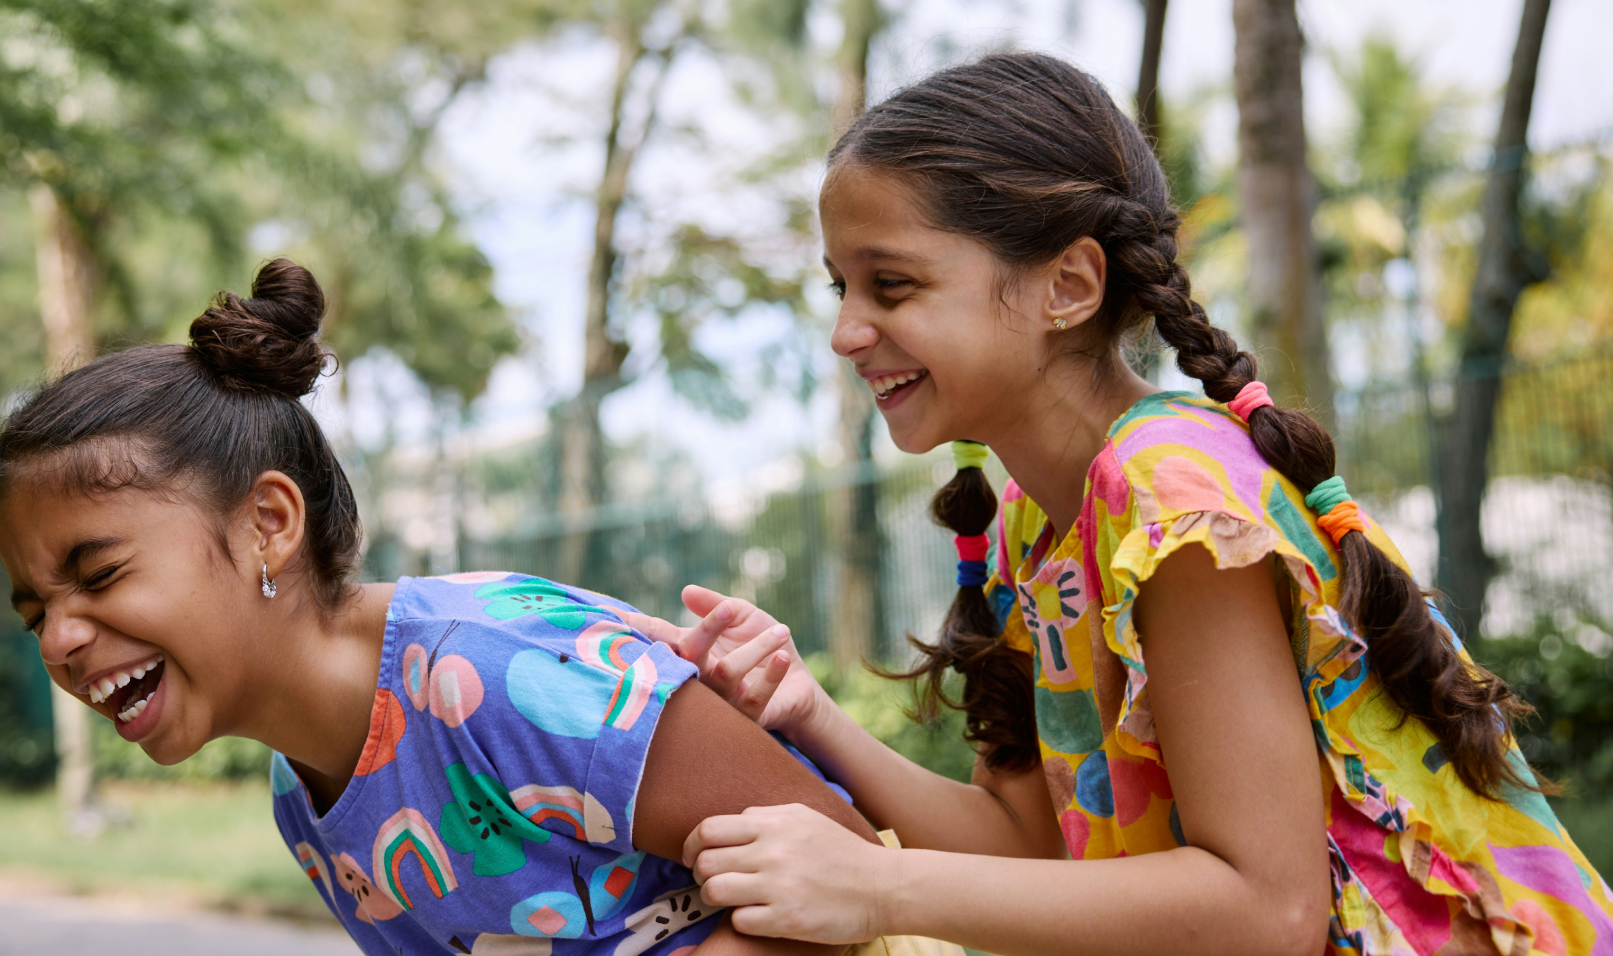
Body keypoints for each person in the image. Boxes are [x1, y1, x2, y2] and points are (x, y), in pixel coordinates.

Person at [621, 52, 1613, 956]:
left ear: (1068, 285)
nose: (846, 331)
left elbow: (1265, 909)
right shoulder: (1030, 522)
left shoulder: (1172, 495)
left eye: (892, 283)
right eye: (840, 286)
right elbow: (1029, 847)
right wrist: (808, 714)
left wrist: (879, 889)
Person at [0, 258, 927, 956]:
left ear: (270, 522)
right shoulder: (302, 797)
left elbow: (843, 863)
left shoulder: (505, 671)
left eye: (98, 576)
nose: (60, 638)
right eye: (35, 614)